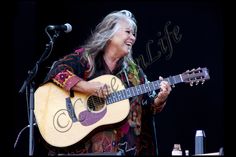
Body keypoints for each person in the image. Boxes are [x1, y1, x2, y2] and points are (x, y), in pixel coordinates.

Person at [41, 10, 172, 156]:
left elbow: (148, 108)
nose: (133, 38)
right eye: (128, 32)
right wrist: (86, 87)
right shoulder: (86, 58)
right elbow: (57, 72)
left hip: (125, 149)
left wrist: (160, 100)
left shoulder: (134, 72)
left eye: (134, 34)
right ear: (109, 34)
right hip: (84, 149)